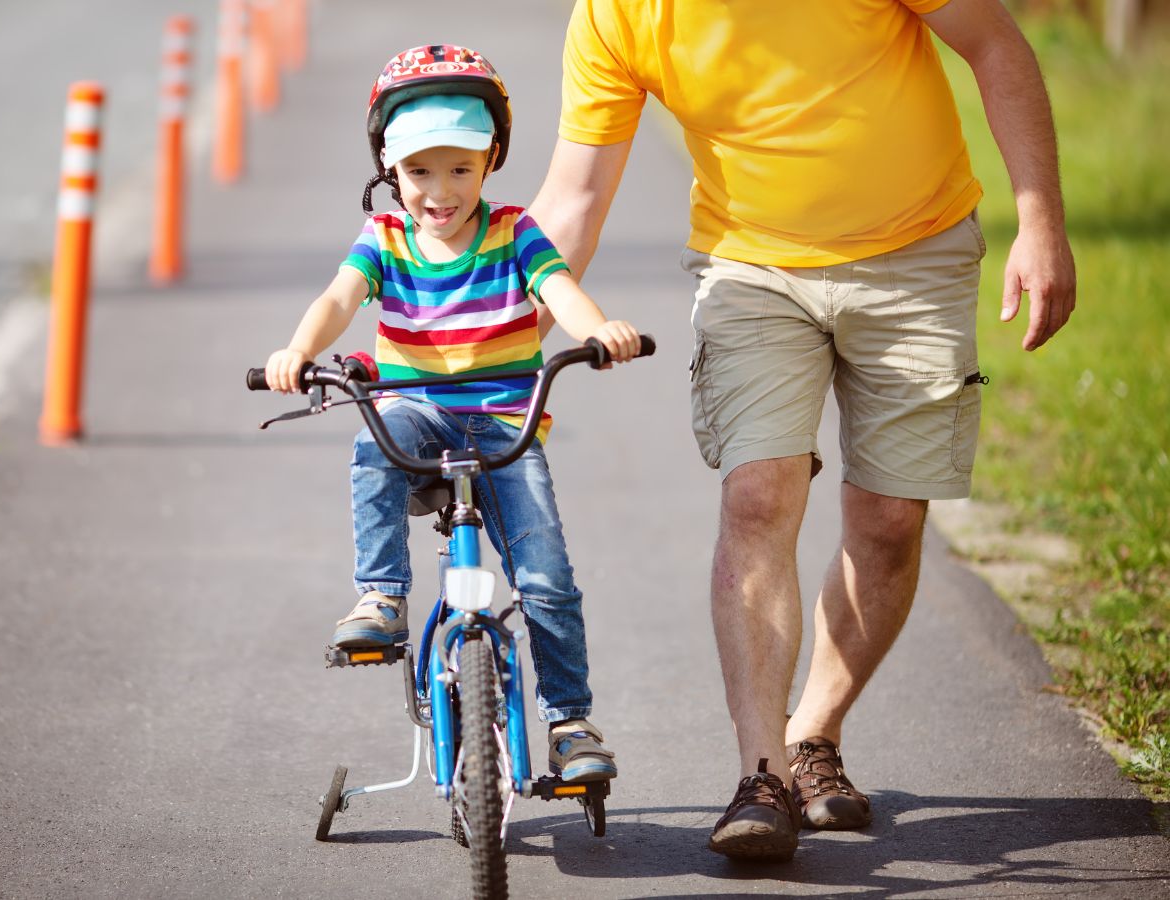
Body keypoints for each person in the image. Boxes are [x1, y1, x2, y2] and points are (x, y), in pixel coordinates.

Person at [528, 0, 1077, 861]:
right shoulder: (616, 13)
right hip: (752, 267)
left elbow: (994, 42)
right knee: (757, 495)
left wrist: (1040, 222)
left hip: (917, 253)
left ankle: (813, 734)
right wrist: (486, 343)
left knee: (890, 523)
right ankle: (762, 774)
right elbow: (573, 198)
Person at [264, 44, 645, 782]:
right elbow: (339, 298)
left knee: (546, 580)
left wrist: (596, 329)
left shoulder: (513, 233)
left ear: (493, 158)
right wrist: (297, 349)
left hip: (504, 425)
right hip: (415, 412)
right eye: (418, 171)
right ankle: (381, 595)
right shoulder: (386, 238)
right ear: (389, 168)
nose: (440, 192)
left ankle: (569, 721)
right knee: (374, 444)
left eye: (460, 168)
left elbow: (559, 290)